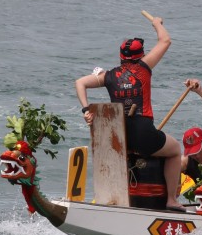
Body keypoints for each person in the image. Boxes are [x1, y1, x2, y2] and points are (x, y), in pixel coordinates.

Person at [74, 15, 184, 210]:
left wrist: (86, 109)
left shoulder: (108, 76)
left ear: (121, 56)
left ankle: (113, 200)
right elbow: (165, 40)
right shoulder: (144, 68)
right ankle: (171, 200)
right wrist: (157, 24)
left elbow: (80, 82)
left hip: (118, 138)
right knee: (175, 150)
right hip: (142, 134)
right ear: (141, 55)